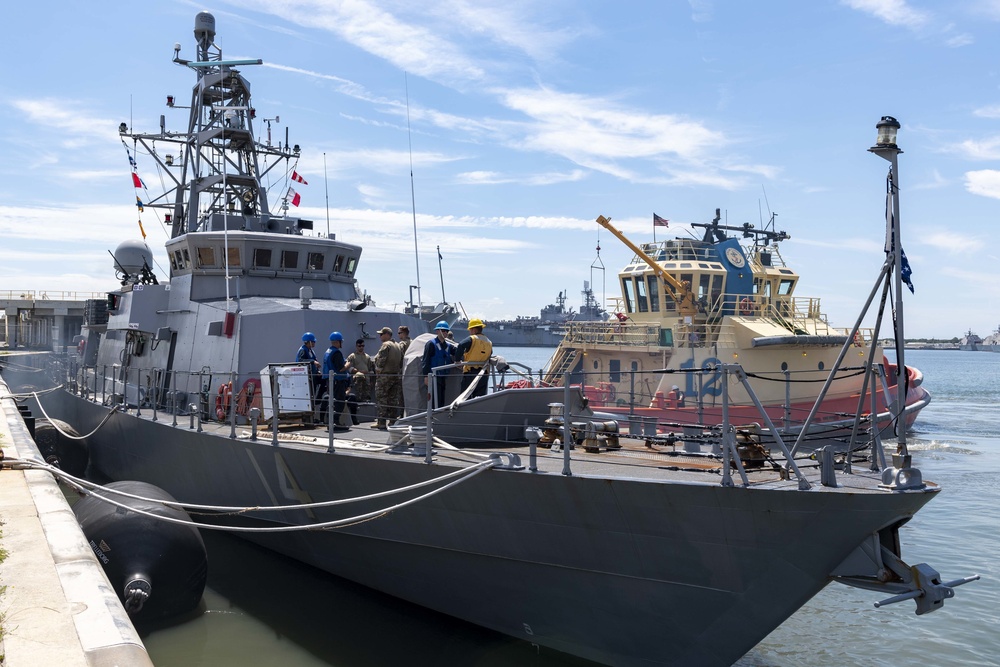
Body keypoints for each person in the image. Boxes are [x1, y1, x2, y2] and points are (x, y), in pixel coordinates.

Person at [372, 327, 403, 429]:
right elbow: (402, 361)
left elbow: (381, 360)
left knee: (382, 399)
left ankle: (381, 422)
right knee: (393, 399)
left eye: (381, 334)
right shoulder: (398, 346)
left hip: (385, 376)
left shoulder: (386, 345)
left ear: (387, 335)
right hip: (396, 376)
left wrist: (378, 370)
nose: (380, 336)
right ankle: (392, 421)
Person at [455, 318, 493, 398]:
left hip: (470, 373)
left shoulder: (472, 339)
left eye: (470, 330)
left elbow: (461, 345)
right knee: (480, 398)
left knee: (465, 397)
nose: (470, 332)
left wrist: (457, 360)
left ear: (474, 330)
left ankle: (465, 410)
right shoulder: (489, 342)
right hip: (483, 374)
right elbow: (490, 354)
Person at [322, 331, 351, 431]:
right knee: (339, 401)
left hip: (330, 381)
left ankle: (330, 422)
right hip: (337, 381)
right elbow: (341, 368)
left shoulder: (328, 351)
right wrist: (348, 365)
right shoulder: (337, 352)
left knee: (332, 401)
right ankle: (335, 422)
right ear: (338, 342)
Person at [421, 321, 454, 408]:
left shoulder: (448, 346)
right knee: (433, 399)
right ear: (437, 331)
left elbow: (458, 352)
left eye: (446, 331)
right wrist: (426, 376)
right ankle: (432, 417)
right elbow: (426, 360)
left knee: (441, 399)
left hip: (443, 377)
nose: (445, 333)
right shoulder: (431, 344)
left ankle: (439, 416)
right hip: (433, 377)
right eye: (443, 330)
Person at [296, 332, 323, 420]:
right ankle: (309, 416)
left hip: (313, 375)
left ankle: (317, 400)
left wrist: (317, 370)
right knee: (309, 395)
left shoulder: (310, 350)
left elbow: (314, 359)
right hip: (307, 377)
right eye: (313, 342)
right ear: (308, 342)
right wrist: (313, 362)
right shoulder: (303, 350)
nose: (314, 343)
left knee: (323, 383)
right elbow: (301, 360)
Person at [346, 338, 375, 403]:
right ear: (356, 346)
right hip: (358, 379)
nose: (361, 347)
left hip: (367, 380)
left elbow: (371, 369)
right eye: (359, 346)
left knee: (367, 397)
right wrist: (357, 371)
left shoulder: (367, 357)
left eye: (363, 346)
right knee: (359, 397)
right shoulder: (352, 356)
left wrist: (371, 380)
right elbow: (348, 367)